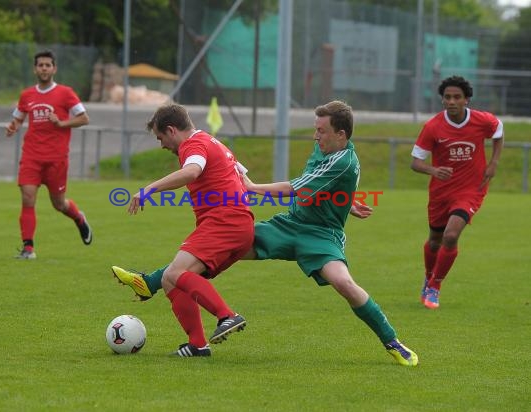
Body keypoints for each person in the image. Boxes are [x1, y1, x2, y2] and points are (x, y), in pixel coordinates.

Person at [114, 100, 418, 366]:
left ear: (341, 134)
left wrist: (253, 188)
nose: (315, 136)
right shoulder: (324, 149)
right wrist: (347, 199)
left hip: (322, 236)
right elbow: (320, 181)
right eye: (315, 129)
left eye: (321, 131)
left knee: (344, 283)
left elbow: (294, 187)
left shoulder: (344, 160)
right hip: (288, 226)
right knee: (203, 258)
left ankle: (392, 341)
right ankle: (155, 288)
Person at [112, 103, 253, 357]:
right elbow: (246, 181)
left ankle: (227, 316)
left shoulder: (193, 145)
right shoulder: (214, 142)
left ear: (171, 130)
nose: (162, 145)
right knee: (170, 279)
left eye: (160, 138)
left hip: (224, 222)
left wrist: (150, 189)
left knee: (176, 272)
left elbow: (192, 171)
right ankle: (197, 345)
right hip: (238, 225)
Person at [411, 75, 504, 309]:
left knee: (451, 236)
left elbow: (498, 130)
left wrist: (493, 163)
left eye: (457, 97)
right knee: (434, 241)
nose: (451, 101)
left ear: (466, 100)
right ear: (442, 100)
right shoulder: (433, 126)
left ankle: (435, 286)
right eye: (447, 97)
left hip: (471, 189)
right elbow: (415, 162)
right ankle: (429, 276)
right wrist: (434, 169)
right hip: (441, 192)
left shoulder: (481, 121)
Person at [5, 49, 93, 259]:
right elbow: (18, 118)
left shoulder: (65, 93)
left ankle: (79, 218)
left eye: (48, 65)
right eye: (40, 65)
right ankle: (28, 248)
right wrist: (13, 126)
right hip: (31, 156)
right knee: (27, 198)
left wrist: (61, 122)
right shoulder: (27, 95)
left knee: (59, 204)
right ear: (35, 69)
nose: (44, 68)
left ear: (54, 68)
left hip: (56, 158)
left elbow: (84, 118)